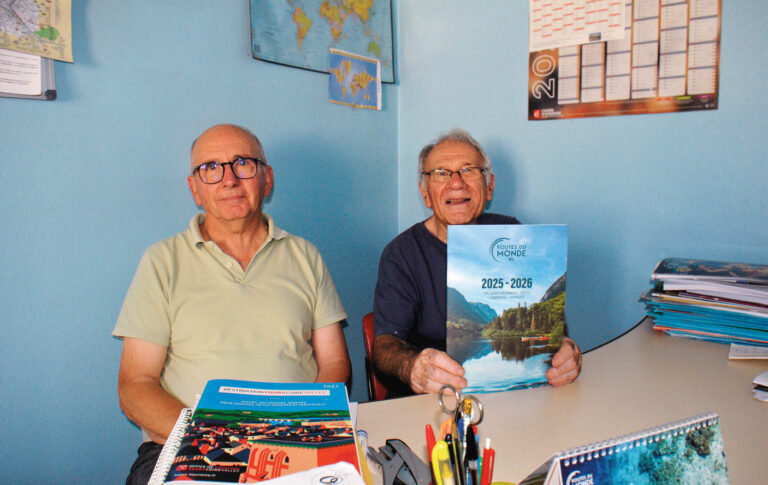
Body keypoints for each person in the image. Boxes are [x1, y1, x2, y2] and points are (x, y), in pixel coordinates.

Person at [113, 124, 351, 484]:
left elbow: (334, 362)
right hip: (186, 446)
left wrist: (302, 431)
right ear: (194, 188)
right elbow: (135, 385)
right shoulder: (162, 261)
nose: (229, 180)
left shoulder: (306, 256)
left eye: (243, 163)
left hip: (294, 442)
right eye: (211, 168)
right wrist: (217, 442)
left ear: (267, 180)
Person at [372, 128, 582, 397]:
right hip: (430, 401)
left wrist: (564, 352)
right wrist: (412, 366)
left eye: (468, 170)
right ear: (425, 193)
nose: (456, 183)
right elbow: (385, 346)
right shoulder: (401, 254)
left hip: (510, 399)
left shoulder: (513, 234)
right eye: (441, 173)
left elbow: (550, 330)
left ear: (489, 186)